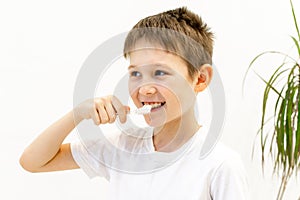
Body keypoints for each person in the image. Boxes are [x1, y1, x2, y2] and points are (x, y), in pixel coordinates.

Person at [20, 7, 249, 199]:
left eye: (160, 72)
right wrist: (78, 113)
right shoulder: (122, 147)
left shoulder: (221, 165)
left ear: (200, 79)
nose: (145, 88)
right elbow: (33, 162)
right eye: (136, 74)